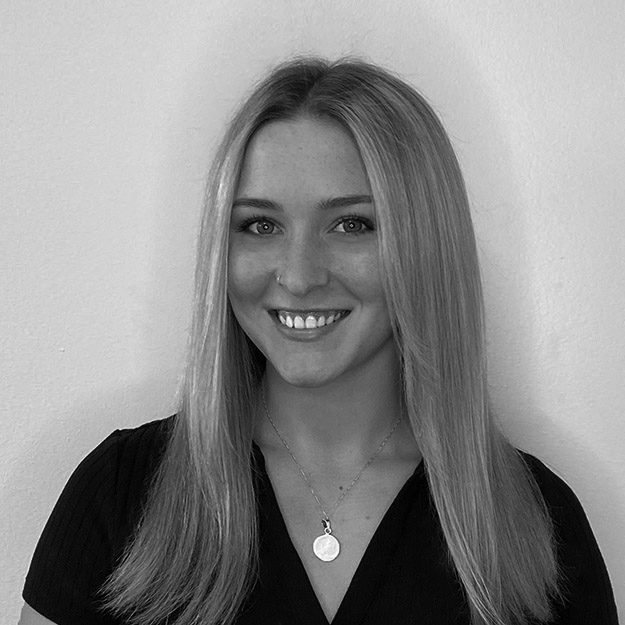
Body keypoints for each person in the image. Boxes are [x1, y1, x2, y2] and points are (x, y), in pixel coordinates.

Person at [20, 57, 618, 625]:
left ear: (426, 245)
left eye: (352, 224)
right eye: (260, 225)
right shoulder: (120, 496)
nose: (299, 275)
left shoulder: (539, 526)